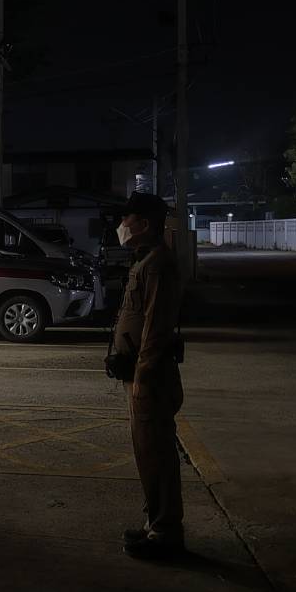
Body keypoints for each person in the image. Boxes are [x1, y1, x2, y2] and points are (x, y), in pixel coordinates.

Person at [110, 191, 186, 561]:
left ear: (143, 223)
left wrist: (142, 376)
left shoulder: (157, 265)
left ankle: (165, 533)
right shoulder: (145, 260)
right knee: (147, 453)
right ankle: (155, 524)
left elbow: (156, 328)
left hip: (151, 378)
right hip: (139, 374)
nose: (121, 225)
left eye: (127, 219)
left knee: (157, 454)